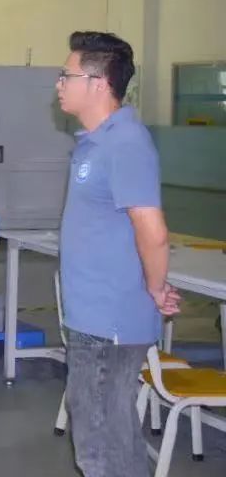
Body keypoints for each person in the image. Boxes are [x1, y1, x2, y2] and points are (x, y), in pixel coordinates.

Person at [56, 31, 180, 477]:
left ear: (98, 83)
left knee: (100, 449)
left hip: (107, 322)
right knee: (112, 438)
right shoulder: (96, 140)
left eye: (67, 76)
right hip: (91, 316)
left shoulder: (125, 142)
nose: (59, 84)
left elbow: (153, 231)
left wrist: (155, 287)